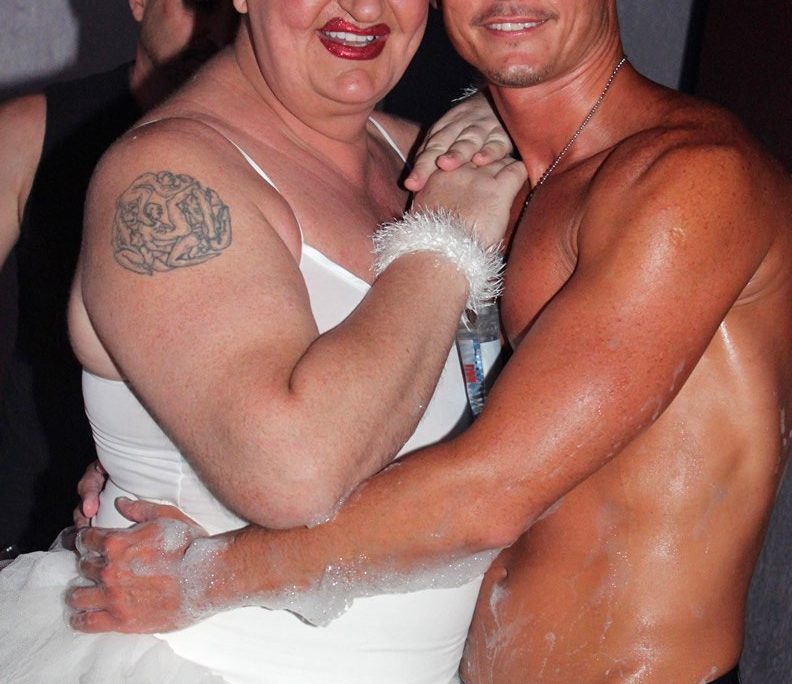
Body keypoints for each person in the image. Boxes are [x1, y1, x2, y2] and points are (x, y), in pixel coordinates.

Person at [67, 1, 792, 683]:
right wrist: (154, 444)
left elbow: (489, 490)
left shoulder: (687, 176)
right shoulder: (476, 172)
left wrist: (203, 575)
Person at [0, 0, 526, 681]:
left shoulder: (431, 157)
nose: (365, 7)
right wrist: (443, 244)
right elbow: (295, 476)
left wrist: (508, 114)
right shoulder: (165, 179)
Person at [0, 0, 239, 556]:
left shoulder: (284, 151)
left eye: (230, 7)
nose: (214, 26)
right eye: (195, 3)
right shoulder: (30, 130)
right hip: (28, 518)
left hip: (207, 532)